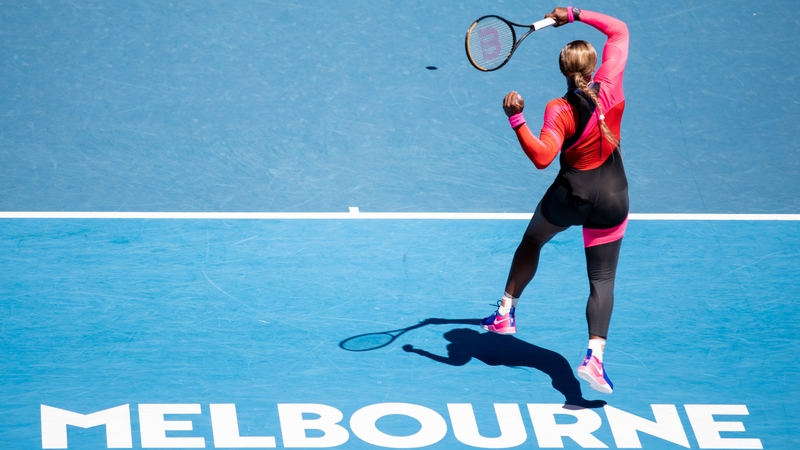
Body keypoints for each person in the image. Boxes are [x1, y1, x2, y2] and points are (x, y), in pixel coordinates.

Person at [480, 6, 630, 395]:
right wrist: (575, 13)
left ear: (563, 70)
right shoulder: (611, 85)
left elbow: (543, 158)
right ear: (594, 64)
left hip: (572, 196)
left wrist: (516, 119)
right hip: (613, 195)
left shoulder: (558, 109)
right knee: (602, 279)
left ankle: (505, 313)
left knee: (533, 240)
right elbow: (619, 30)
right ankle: (594, 358)